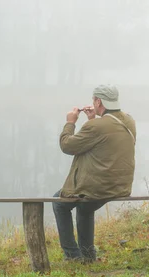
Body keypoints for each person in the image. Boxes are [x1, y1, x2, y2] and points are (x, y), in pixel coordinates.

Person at [53, 84, 136, 263]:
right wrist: (92, 120)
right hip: (121, 185)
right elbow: (103, 142)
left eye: (93, 100)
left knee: (59, 203)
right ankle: (88, 255)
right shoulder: (129, 120)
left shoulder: (97, 126)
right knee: (84, 207)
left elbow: (67, 146)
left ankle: (72, 255)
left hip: (100, 188)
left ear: (98, 101)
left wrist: (70, 122)